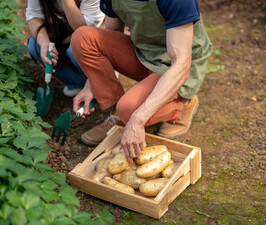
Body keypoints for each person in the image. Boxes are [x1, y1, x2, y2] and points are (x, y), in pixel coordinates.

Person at [70, 0, 212, 162]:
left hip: (179, 66)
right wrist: (91, 84)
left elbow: (181, 65)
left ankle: (182, 103)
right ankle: (119, 117)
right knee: (84, 38)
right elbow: (111, 33)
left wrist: (137, 119)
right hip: (144, 53)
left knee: (129, 109)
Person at [26, 0, 105, 97]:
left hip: (89, 37)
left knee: (77, 47)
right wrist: (44, 43)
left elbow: (84, 31)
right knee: (34, 46)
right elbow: (34, 15)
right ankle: (78, 83)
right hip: (65, 32)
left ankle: (102, 78)